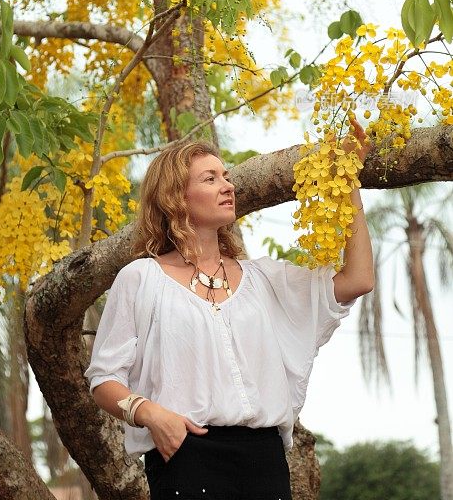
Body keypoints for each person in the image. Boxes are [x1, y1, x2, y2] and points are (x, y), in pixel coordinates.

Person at [85, 127, 374, 500]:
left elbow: (358, 279)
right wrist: (150, 413)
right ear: (177, 198)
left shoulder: (264, 279)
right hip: (185, 458)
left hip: (265, 463)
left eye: (227, 176)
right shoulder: (141, 279)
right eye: (211, 178)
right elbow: (104, 378)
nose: (228, 186)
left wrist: (349, 180)